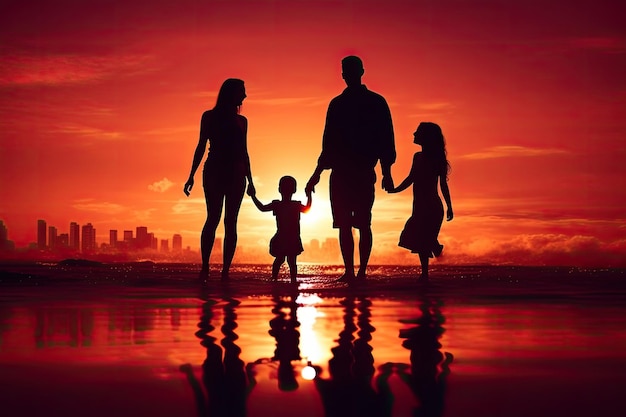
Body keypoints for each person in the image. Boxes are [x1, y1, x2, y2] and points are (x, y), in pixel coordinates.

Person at [306, 55, 396, 282]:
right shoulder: (340, 104)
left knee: (362, 223)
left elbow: (386, 139)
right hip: (344, 173)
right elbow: (328, 143)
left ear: (360, 71)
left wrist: (387, 172)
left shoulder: (374, 102)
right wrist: (316, 174)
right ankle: (351, 271)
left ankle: (360, 271)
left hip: (360, 171)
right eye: (345, 70)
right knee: (347, 225)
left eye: (349, 70)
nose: (347, 74)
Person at [183, 78, 254, 281]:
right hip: (215, 170)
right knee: (214, 218)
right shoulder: (209, 117)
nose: (245, 96)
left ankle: (225, 272)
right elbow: (200, 146)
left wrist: (251, 180)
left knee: (230, 221)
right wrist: (191, 175)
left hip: (236, 172)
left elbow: (244, 151)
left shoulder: (243, 121)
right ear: (232, 93)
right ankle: (205, 267)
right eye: (242, 91)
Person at [389, 122, 453, 280]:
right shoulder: (417, 157)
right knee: (419, 239)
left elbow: (443, 185)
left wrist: (449, 207)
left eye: (417, 132)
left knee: (424, 240)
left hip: (432, 206)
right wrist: (396, 189)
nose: (414, 134)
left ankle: (426, 272)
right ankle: (427, 269)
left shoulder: (437, 159)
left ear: (426, 137)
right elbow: (411, 178)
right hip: (419, 206)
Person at [247, 176, 312, 283]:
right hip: (288, 237)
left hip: (287, 237)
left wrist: (253, 196)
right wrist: (309, 195)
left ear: (279, 189)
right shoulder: (290, 205)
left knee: (283, 260)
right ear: (294, 190)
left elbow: (262, 208)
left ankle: (277, 278)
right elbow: (308, 208)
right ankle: (288, 280)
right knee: (290, 261)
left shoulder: (281, 205)